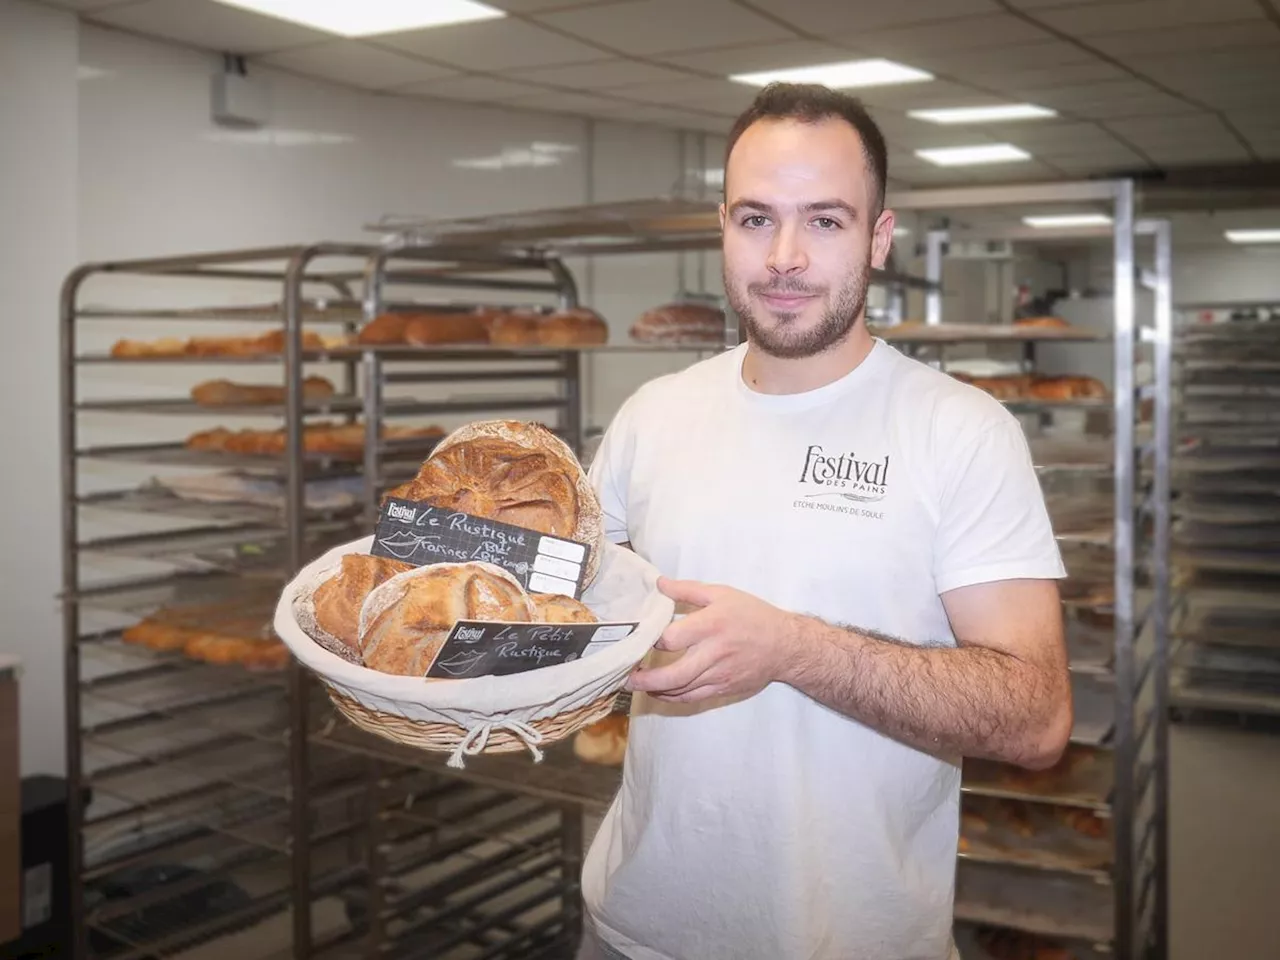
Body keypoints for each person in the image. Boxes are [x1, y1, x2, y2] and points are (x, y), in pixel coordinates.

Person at [576, 83, 1073, 960]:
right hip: (635, 929)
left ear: (879, 238)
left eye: (827, 222)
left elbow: (1035, 720)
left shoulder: (958, 430)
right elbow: (577, 621)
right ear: (721, 226)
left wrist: (797, 650)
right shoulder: (652, 415)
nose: (786, 257)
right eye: (757, 219)